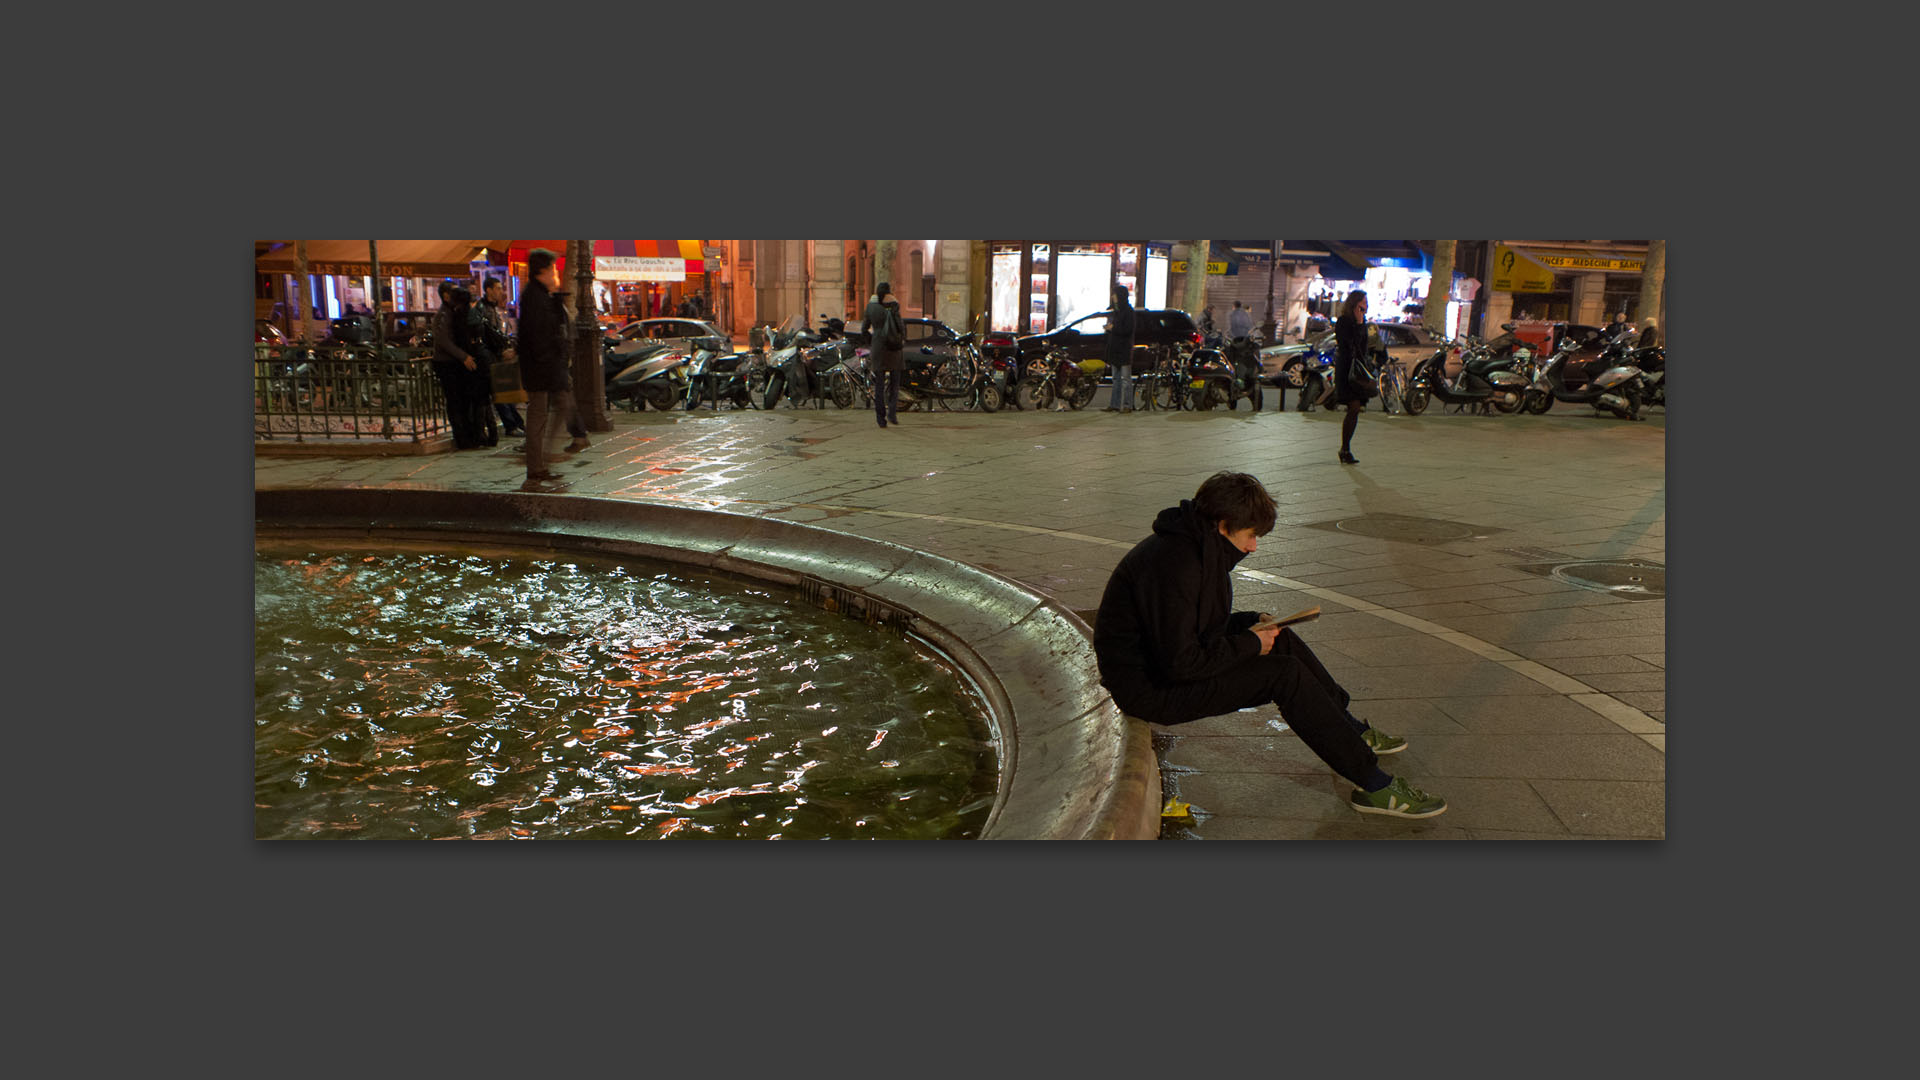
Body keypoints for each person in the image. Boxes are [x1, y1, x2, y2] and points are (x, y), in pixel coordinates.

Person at [1094, 471, 1445, 818]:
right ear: (1222, 523)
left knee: (1281, 639)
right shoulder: (1176, 566)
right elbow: (1181, 662)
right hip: (1149, 689)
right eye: (1250, 535)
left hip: (1165, 668)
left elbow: (1194, 630)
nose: (1253, 546)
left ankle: (1350, 728)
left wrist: (1250, 623)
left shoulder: (1197, 546)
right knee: (1284, 675)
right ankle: (1374, 785)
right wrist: (1249, 644)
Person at [518, 249, 589, 487]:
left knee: (557, 407)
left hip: (545, 368)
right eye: (553, 269)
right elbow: (539, 338)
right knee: (538, 418)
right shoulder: (534, 298)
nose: (556, 274)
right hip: (541, 370)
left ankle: (544, 462)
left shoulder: (540, 296)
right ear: (543, 271)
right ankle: (537, 468)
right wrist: (550, 364)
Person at [431, 283, 487, 449]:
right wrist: (463, 356)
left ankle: (469, 436)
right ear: (446, 296)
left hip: (455, 362)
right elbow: (443, 341)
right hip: (446, 363)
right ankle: (462, 438)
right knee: (455, 401)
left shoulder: (455, 312)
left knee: (463, 401)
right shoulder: (444, 314)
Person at [478, 277, 527, 437]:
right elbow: (490, 335)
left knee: (505, 391)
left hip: (497, 355)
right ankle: (512, 425)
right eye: (498, 288)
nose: (501, 291)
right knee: (500, 393)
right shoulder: (484, 309)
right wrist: (500, 351)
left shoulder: (494, 309)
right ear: (489, 290)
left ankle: (516, 423)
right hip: (491, 357)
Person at [1332, 290, 1374, 464]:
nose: (1365, 304)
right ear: (1355, 303)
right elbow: (1346, 343)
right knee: (1354, 406)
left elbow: (1363, 346)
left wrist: (1360, 323)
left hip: (1358, 369)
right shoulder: (1343, 321)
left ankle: (1345, 448)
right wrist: (1357, 324)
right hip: (1346, 369)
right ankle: (1345, 449)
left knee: (1355, 409)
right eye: (1363, 301)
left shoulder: (1362, 322)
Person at [865, 282, 905, 428]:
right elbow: (900, 326)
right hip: (894, 348)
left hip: (878, 349)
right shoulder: (894, 305)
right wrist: (902, 339)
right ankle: (892, 413)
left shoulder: (871, 307)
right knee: (895, 383)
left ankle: (880, 418)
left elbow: (864, 328)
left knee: (879, 385)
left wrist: (872, 340)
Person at [1102, 283, 1137, 413]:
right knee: (1116, 379)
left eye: (1115, 294)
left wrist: (1113, 328)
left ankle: (1127, 405)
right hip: (1115, 348)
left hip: (1124, 349)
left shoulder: (1128, 311)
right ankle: (1115, 404)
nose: (1113, 297)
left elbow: (1128, 330)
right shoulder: (1116, 311)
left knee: (1125, 379)